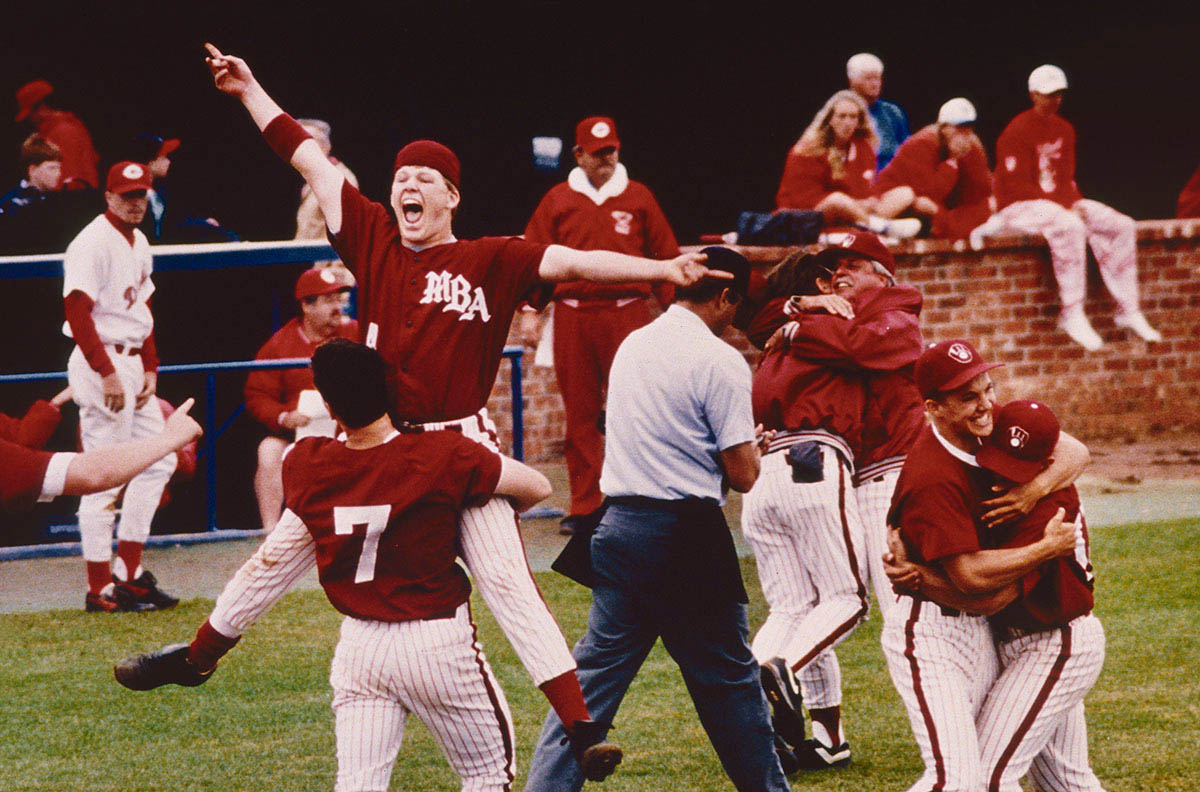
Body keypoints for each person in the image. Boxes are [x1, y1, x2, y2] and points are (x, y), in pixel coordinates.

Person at [205, 43, 722, 770]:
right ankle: (201, 650)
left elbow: (573, 264)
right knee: (283, 545)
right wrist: (250, 89)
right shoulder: (375, 235)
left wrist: (662, 267)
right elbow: (309, 160)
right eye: (399, 178)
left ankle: (579, 727)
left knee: (509, 582)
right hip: (379, 440)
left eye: (425, 178)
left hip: (457, 442)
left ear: (452, 196)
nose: (407, 186)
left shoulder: (491, 256)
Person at [114, 340, 620, 789]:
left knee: (357, 784)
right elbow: (537, 485)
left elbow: (267, 569)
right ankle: (579, 724)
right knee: (487, 776)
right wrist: (477, 500)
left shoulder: (307, 461)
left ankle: (197, 658)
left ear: (330, 407)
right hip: (436, 642)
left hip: (360, 647)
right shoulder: (443, 454)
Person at [523, 247, 790, 792]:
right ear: (725, 298)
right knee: (732, 688)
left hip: (618, 525)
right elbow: (743, 475)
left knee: (588, 689)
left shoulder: (634, 345)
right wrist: (751, 451)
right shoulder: (720, 361)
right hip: (684, 533)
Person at [881, 339, 1089, 792]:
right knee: (960, 780)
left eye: (987, 388)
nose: (986, 405)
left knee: (1009, 778)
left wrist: (1032, 491)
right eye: (967, 397)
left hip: (1015, 631)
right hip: (938, 628)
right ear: (933, 408)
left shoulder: (996, 432)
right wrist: (1045, 548)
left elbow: (1075, 450)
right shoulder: (932, 476)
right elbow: (975, 582)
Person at [735, 248, 871, 771]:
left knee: (796, 610)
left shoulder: (772, 328)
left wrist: (794, 305)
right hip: (812, 460)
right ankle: (779, 669)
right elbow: (879, 340)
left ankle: (824, 738)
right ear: (821, 283)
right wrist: (815, 305)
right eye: (839, 277)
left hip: (763, 470)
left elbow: (760, 307)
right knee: (848, 599)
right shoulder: (831, 321)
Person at [520, 115, 679, 536]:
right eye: (597, 152)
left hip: (626, 311)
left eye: (611, 150)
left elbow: (664, 255)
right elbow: (534, 258)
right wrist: (530, 309)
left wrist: (678, 312)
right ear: (578, 155)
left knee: (636, 407)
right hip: (573, 312)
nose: (606, 158)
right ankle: (587, 504)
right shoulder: (557, 200)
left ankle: (642, 500)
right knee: (581, 415)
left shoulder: (639, 196)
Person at [62, 160, 179, 613]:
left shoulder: (139, 240)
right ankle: (99, 588)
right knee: (101, 477)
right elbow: (76, 310)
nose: (135, 202)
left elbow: (143, 308)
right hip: (102, 361)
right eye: (126, 195)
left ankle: (128, 574)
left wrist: (150, 366)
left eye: (141, 195)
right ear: (108, 196)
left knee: (159, 459)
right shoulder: (91, 242)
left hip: (131, 359)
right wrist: (107, 371)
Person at [987, 64, 1160, 351]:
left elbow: (1066, 178)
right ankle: (1072, 311)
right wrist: (1064, 208)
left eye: (1058, 95)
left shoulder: (1065, 129)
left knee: (1121, 224)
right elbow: (1016, 186)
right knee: (1070, 225)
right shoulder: (1015, 131)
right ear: (1033, 95)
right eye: (1048, 95)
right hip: (1018, 207)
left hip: (1056, 205)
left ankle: (1128, 309)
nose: (1054, 101)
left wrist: (1073, 202)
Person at [244, 267, 359, 532]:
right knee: (268, 449)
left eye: (339, 300)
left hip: (349, 432)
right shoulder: (280, 344)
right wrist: (284, 417)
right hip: (300, 433)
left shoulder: (354, 332)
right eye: (328, 300)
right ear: (307, 305)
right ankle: (270, 532)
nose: (337, 308)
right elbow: (256, 394)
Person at [2, 397, 201, 514]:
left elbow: (186, 469)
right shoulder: (93, 421)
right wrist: (170, 439)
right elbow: (91, 475)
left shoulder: (158, 408)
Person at [776, 89, 921, 239]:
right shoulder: (807, 149)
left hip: (851, 212)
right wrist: (853, 204)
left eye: (853, 117)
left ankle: (869, 225)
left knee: (905, 193)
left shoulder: (863, 148)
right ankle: (880, 228)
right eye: (842, 116)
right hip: (807, 216)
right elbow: (802, 200)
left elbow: (864, 189)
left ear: (859, 121)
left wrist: (867, 201)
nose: (847, 122)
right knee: (837, 199)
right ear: (830, 119)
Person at [873, 98, 993, 240]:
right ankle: (876, 229)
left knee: (988, 205)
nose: (965, 134)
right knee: (914, 199)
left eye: (968, 128)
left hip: (933, 206)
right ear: (943, 128)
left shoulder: (972, 146)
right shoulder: (923, 142)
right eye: (958, 128)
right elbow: (928, 194)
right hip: (895, 200)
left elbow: (981, 190)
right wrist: (952, 162)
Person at [294, 117, 359, 284]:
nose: (301, 147)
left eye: (308, 142)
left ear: (326, 146)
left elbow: (348, 234)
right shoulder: (313, 179)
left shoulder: (339, 179)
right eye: (297, 140)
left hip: (332, 276)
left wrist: (336, 278)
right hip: (313, 269)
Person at [14, 79, 100, 189]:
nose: (30, 120)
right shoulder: (55, 129)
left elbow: (71, 172)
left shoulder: (63, 131)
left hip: (73, 197)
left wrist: (55, 199)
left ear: (40, 108)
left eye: (30, 114)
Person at [846, 52, 909, 171]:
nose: (875, 84)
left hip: (890, 180)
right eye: (869, 79)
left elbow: (907, 152)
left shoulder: (893, 112)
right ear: (852, 81)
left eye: (877, 78)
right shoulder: (841, 113)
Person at [0, 134, 62, 214]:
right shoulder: (10, 204)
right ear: (32, 170)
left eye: (59, 168)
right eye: (52, 168)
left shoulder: (54, 199)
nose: (58, 173)